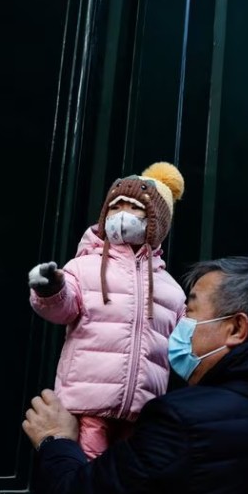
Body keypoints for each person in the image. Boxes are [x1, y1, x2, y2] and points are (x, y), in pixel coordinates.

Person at [22, 257, 248, 494]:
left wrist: (57, 441)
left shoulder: (182, 420)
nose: (179, 326)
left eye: (190, 312)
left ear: (236, 329)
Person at [27, 162, 187, 460]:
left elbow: (184, 346)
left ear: (157, 222)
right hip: (87, 404)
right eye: (116, 207)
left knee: (130, 478)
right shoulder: (83, 267)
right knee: (88, 472)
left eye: (134, 207)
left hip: (143, 408)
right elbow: (63, 307)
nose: (122, 214)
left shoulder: (170, 288)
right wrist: (50, 288)